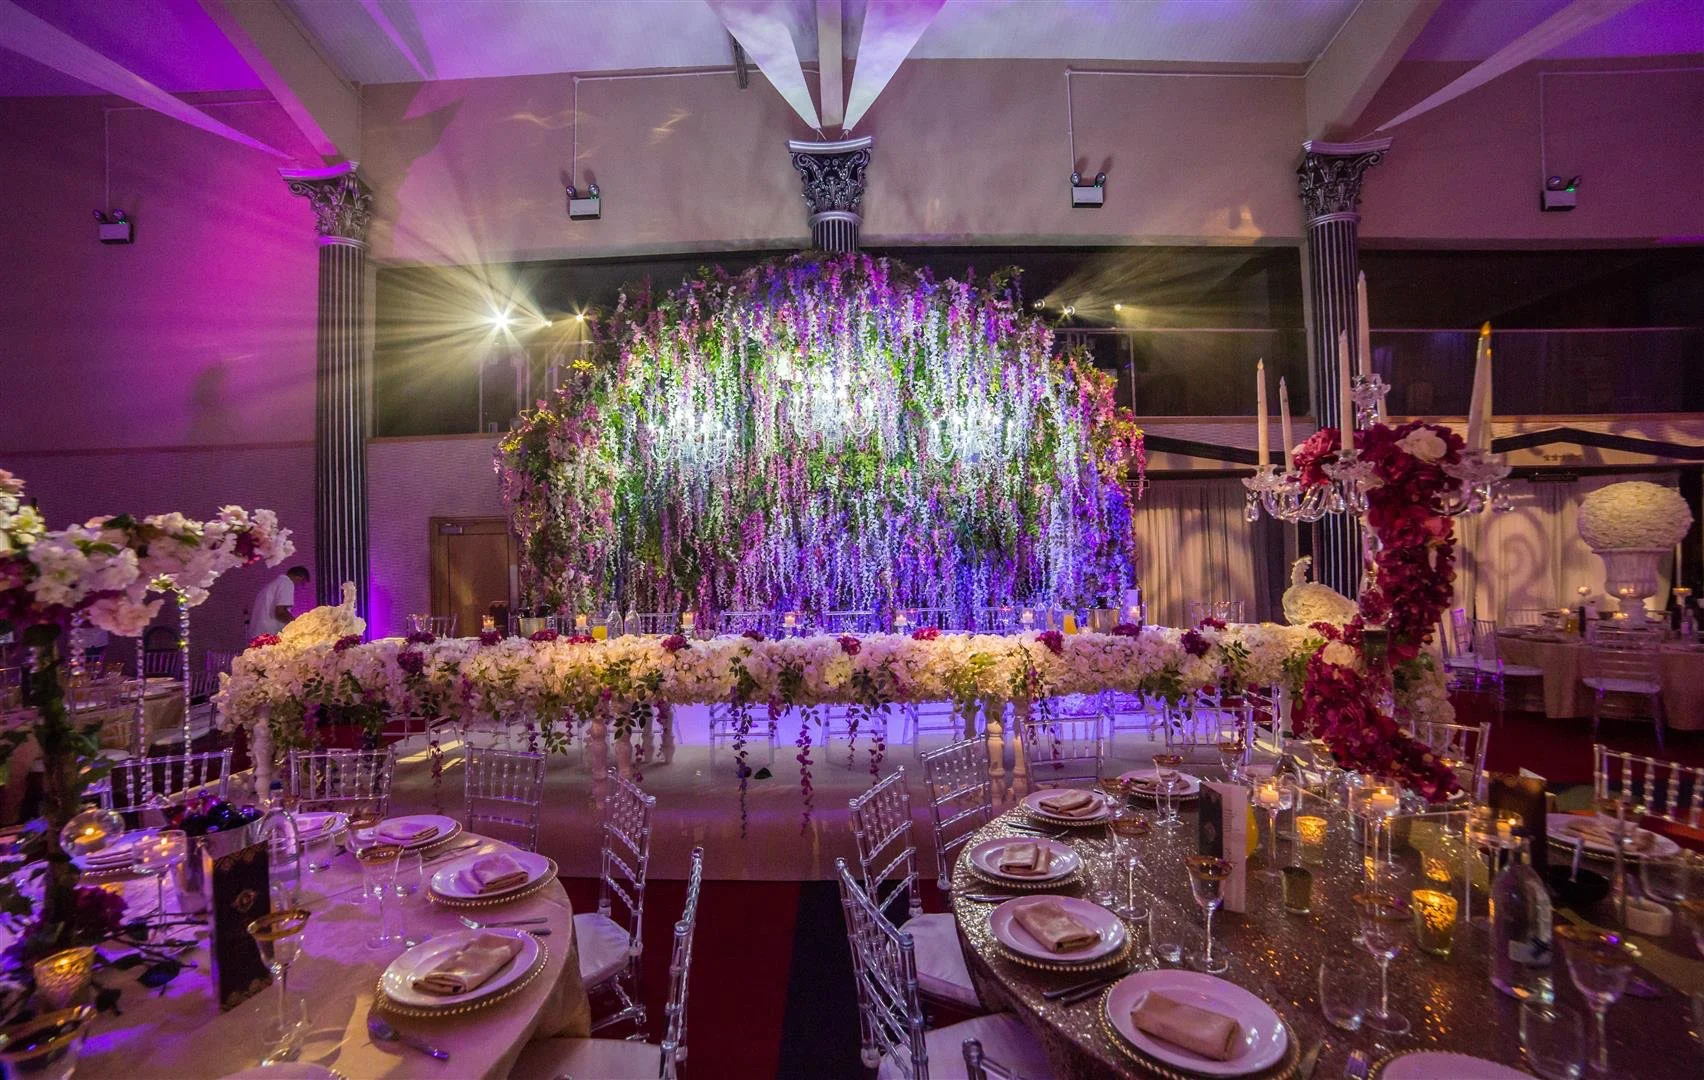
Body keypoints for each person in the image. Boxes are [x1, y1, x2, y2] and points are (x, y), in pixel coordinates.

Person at [248, 566, 309, 639]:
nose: (300, 587)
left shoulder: (275, 584)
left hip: (259, 633)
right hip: (269, 635)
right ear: (299, 578)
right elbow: (280, 613)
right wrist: (298, 625)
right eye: (302, 583)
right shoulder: (287, 583)